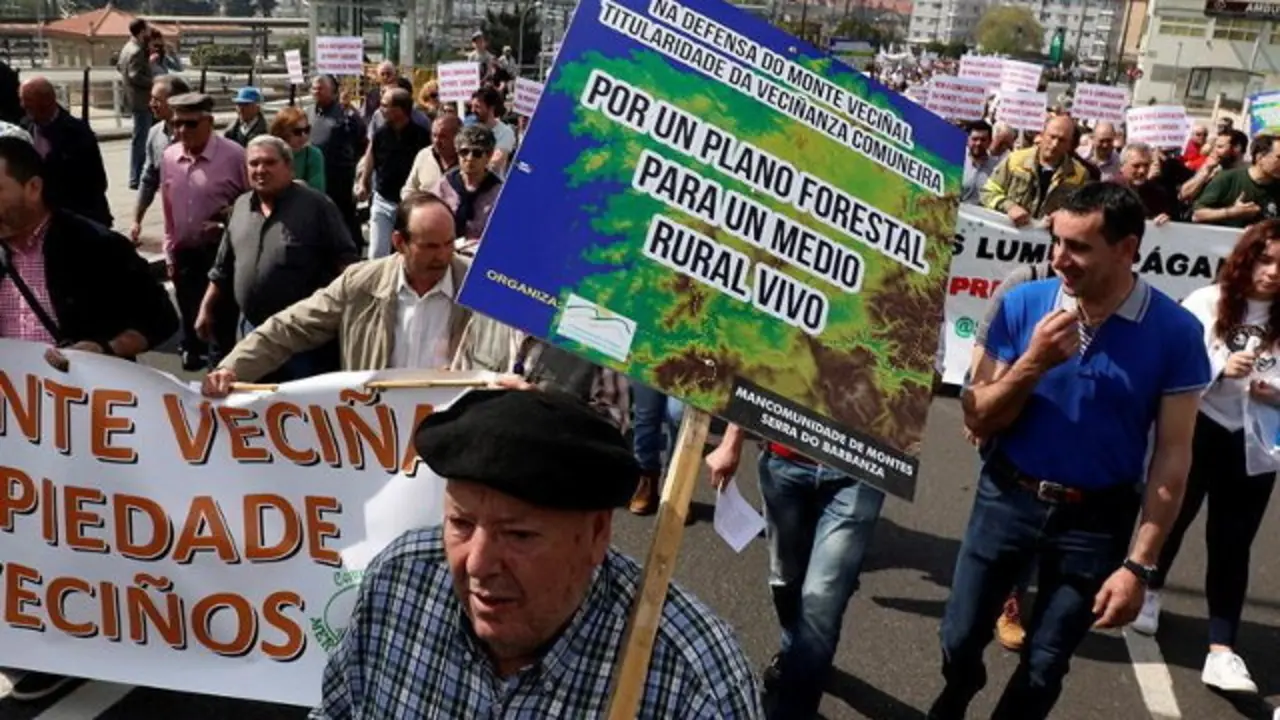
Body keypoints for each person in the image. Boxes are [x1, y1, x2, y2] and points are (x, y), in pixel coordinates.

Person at [929, 182, 1210, 720]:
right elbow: (978, 413)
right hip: (1006, 499)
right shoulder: (1022, 303)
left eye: (1078, 247)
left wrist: (1139, 566)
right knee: (959, 636)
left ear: (1127, 249)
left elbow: (1173, 457)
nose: (1059, 257)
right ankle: (960, 687)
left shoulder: (1175, 333)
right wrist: (1033, 362)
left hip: (1097, 521)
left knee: (1045, 664)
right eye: (1056, 240)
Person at [309, 388, 762, 719]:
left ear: (597, 533)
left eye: (519, 535)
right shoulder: (400, 580)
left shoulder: (697, 683)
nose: (478, 564)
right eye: (461, 524)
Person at [0, 135, 177, 702]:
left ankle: (91, 630)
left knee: (78, 534)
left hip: (81, 428)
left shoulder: (91, 245)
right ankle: (25, 635)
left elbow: (159, 316)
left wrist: (105, 349)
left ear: (32, 186)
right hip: (12, 429)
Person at [1130, 220, 1280, 695]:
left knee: (1233, 542)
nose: (1273, 273)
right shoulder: (1207, 302)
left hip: (1256, 444)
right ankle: (1149, 590)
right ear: (1246, 258)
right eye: (1266, 259)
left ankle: (1222, 648)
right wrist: (1218, 367)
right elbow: (1173, 366)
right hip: (1198, 429)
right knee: (1172, 515)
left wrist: (1272, 392)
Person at [201, 192, 471, 395]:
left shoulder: (480, 287)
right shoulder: (360, 284)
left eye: (449, 244)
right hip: (377, 433)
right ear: (399, 242)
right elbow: (289, 328)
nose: (444, 255)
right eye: (431, 246)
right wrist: (232, 368)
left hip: (454, 431)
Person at [197, 135, 357, 383]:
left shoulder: (317, 207)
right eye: (254, 164)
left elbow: (347, 266)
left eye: (269, 163)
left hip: (302, 338)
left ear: (289, 167)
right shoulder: (240, 207)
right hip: (252, 333)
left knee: (302, 409)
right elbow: (222, 267)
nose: (260, 170)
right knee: (251, 408)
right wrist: (206, 308)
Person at [160, 92, 246, 371]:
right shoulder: (170, 157)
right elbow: (168, 206)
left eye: (190, 124)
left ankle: (220, 377)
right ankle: (194, 352)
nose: (182, 131)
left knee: (221, 321)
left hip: (221, 253)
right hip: (186, 254)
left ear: (209, 122)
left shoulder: (234, 155)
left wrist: (224, 224)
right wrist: (169, 250)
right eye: (177, 124)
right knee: (191, 312)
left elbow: (253, 204)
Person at [18, 76, 111, 227]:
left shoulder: (77, 132)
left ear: (46, 100)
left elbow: (97, 182)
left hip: (79, 219)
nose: (22, 105)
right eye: (21, 99)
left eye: (28, 100)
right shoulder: (24, 128)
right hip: (42, 220)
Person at [359, 87, 431, 259]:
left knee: (409, 253)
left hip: (411, 205)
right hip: (382, 200)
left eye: (385, 105)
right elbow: (371, 157)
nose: (380, 109)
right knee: (377, 254)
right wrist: (363, 182)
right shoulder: (381, 133)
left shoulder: (421, 136)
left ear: (400, 109)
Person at [981, 115, 1090, 227]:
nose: (1055, 144)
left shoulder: (1079, 175)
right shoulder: (1015, 160)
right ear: (1042, 135)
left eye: (1062, 140)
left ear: (1070, 144)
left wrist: (1062, 216)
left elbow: (1083, 214)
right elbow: (987, 192)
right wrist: (1009, 207)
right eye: (1052, 137)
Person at [131, 73, 190, 246]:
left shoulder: (199, 136)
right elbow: (149, 179)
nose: (151, 104)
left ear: (175, 101)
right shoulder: (155, 134)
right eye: (151, 99)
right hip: (173, 226)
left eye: (157, 100)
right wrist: (136, 220)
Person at [307, 74, 367, 243]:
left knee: (343, 220)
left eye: (321, 88)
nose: (316, 91)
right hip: (315, 178)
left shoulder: (345, 115)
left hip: (339, 179)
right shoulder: (308, 112)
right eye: (314, 88)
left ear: (333, 92)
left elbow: (362, 142)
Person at [434, 124, 502, 245]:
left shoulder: (499, 191)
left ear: (489, 155)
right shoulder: (444, 185)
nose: (470, 158)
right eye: (464, 152)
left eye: (477, 153)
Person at [1193, 134, 1280, 227]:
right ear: (1260, 157)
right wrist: (1232, 212)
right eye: (1279, 157)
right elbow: (1197, 215)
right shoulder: (1228, 178)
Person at [116, 17, 153, 190]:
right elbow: (134, 75)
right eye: (147, 28)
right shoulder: (137, 50)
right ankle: (136, 177)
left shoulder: (127, 48)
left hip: (132, 98)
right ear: (141, 31)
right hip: (141, 100)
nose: (150, 31)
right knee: (141, 139)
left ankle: (139, 174)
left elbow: (119, 67)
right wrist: (154, 81)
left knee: (141, 137)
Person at [1180, 129, 1249, 205]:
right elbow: (1183, 195)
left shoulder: (1247, 175)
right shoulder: (1213, 169)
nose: (1214, 151)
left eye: (1220, 147)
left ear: (1237, 148)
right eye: (1214, 146)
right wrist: (1206, 171)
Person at [401, 114, 460, 198]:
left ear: (457, 136)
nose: (437, 141)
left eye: (443, 136)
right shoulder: (424, 155)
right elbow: (409, 188)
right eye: (434, 135)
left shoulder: (470, 158)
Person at [269, 105, 325, 190]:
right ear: (282, 132)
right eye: (297, 132)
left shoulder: (313, 155)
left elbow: (317, 192)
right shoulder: (269, 153)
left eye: (307, 130)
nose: (303, 135)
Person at [1117, 143, 1174, 225]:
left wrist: (1164, 220)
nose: (1142, 171)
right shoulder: (1108, 191)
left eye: (1146, 165)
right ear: (1121, 166)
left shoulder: (1157, 193)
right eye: (1136, 166)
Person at [470, 86, 516, 171]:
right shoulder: (471, 131)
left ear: (491, 107)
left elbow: (495, 164)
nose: (472, 110)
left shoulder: (505, 132)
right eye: (471, 106)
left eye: (477, 106)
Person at [961, 120, 997, 204]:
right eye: (974, 139)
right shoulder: (956, 161)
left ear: (990, 142)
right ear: (967, 139)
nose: (978, 143)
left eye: (983, 140)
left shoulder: (996, 168)